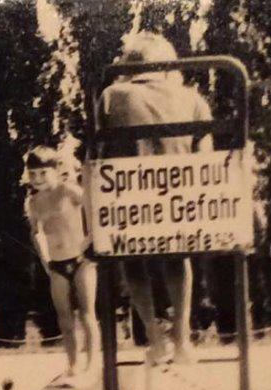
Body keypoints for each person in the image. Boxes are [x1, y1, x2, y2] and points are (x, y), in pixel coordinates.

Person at [97, 32, 213, 364]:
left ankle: (153, 337)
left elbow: (100, 155)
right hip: (179, 207)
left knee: (132, 261)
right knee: (178, 259)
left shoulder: (110, 95)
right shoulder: (193, 99)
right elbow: (206, 159)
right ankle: (182, 337)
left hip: (130, 210)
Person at [24, 146, 100, 383]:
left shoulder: (69, 191)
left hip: (81, 261)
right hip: (57, 264)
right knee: (65, 318)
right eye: (33, 174)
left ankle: (92, 363)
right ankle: (73, 364)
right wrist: (45, 260)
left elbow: (96, 211)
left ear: (56, 170)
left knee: (87, 314)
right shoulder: (34, 202)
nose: (37, 179)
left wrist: (91, 244)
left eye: (43, 173)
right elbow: (35, 233)